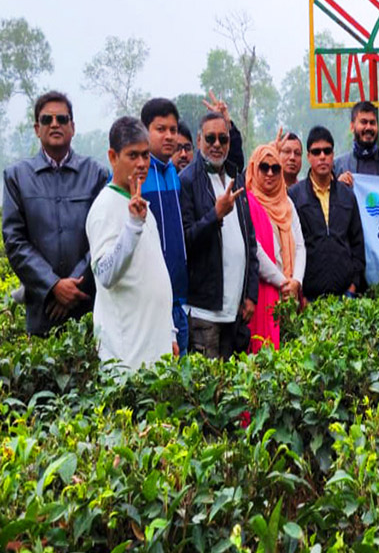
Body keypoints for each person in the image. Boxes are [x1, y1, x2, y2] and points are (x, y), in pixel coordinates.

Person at [2, 90, 109, 337]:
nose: (54, 124)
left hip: (88, 307)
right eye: (46, 119)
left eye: (62, 119)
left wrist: (74, 285)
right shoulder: (16, 177)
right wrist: (53, 286)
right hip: (42, 310)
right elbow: (14, 241)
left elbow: (103, 237)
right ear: (36, 128)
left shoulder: (96, 174)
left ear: (72, 127)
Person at [86, 116, 176, 373]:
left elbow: (154, 271)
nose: (141, 164)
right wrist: (133, 225)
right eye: (132, 155)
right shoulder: (104, 208)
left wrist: (169, 332)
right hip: (128, 357)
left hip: (154, 349)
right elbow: (105, 274)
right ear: (113, 157)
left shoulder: (140, 205)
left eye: (145, 155)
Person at [179, 111, 258, 359]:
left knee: (233, 382)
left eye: (222, 139)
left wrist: (251, 294)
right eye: (210, 138)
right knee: (208, 382)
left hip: (235, 311)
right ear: (199, 140)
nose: (216, 145)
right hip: (204, 312)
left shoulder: (236, 178)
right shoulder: (187, 181)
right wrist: (215, 215)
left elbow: (250, 242)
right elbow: (185, 241)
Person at [289, 127, 366, 299]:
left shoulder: (347, 196)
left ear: (333, 154)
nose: (322, 156)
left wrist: (353, 286)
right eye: (316, 152)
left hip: (345, 296)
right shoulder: (294, 196)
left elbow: (358, 244)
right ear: (308, 156)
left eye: (327, 151)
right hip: (308, 297)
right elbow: (290, 248)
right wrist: (300, 295)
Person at [244, 141, 306, 352]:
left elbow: (300, 246)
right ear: (254, 168)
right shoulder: (248, 203)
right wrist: (283, 283)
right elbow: (255, 249)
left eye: (275, 168)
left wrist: (296, 282)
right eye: (264, 167)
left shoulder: (287, 203)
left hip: (290, 296)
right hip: (264, 293)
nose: (270, 173)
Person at [139, 97, 190, 356]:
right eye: (161, 129)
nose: (169, 136)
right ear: (144, 131)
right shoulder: (136, 175)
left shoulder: (173, 173)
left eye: (173, 129)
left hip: (179, 300)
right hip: (151, 302)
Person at [334, 101, 379, 182]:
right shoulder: (337, 168)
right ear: (352, 127)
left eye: (372, 123)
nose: (368, 127)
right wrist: (338, 185)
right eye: (363, 122)